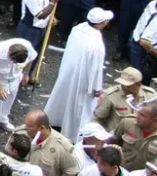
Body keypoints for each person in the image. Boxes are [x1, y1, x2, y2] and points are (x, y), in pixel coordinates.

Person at [45, 8, 116, 140]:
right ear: (99, 24)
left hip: (68, 71)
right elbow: (95, 69)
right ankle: (74, 133)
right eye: (105, 21)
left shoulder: (78, 28)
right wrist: (97, 88)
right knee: (79, 107)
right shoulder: (97, 45)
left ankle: (56, 121)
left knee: (63, 97)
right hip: (82, 80)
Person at [0, 39, 36, 131]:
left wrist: (26, 74)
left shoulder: (28, 46)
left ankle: (3, 119)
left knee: (9, 100)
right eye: (14, 61)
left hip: (15, 78)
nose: (15, 63)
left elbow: (31, 59)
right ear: (9, 54)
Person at [94, 67, 157, 132]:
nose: (124, 87)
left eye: (128, 85)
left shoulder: (151, 96)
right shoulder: (110, 96)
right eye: (122, 83)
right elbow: (97, 118)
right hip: (116, 137)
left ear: (138, 84)